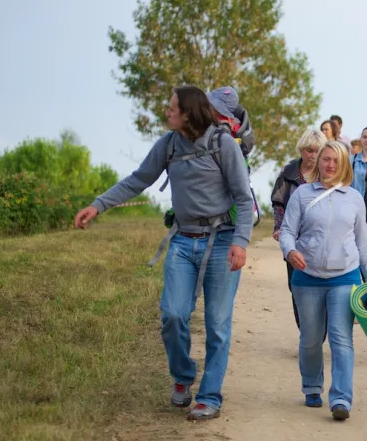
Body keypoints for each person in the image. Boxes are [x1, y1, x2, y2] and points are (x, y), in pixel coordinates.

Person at [74, 86, 254, 421]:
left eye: (172, 107)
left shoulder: (223, 143)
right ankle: (183, 375)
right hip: (183, 241)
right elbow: (138, 179)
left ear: (188, 112)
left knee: (217, 324)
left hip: (220, 241)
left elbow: (243, 199)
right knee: (172, 314)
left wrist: (240, 242)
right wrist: (97, 206)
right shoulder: (169, 144)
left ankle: (210, 396)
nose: (167, 111)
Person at [279, 140, 367, 421]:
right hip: (306, 276)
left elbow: (364, 245)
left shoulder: (355, 199)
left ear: (344, 164)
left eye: (336, 160)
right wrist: (290, 251)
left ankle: (341, 399)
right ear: (319, 162)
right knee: (311, 339)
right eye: (326, 159)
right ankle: (312, 386)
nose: (330, 165)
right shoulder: (302, 194)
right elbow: (287, 231)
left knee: (340, 338)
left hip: (344, 277)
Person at [271, 130, 328, 329]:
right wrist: (279, 228)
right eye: (308, 150)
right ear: (301, 150)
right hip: (293, 240)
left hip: (322, 241)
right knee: (296, 286)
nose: (312, 155)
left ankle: (320, 329)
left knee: (324, 285)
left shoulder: (328, 175)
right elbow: (278, 203)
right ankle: (307, 331)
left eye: (316, 150)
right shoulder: (288, 174)